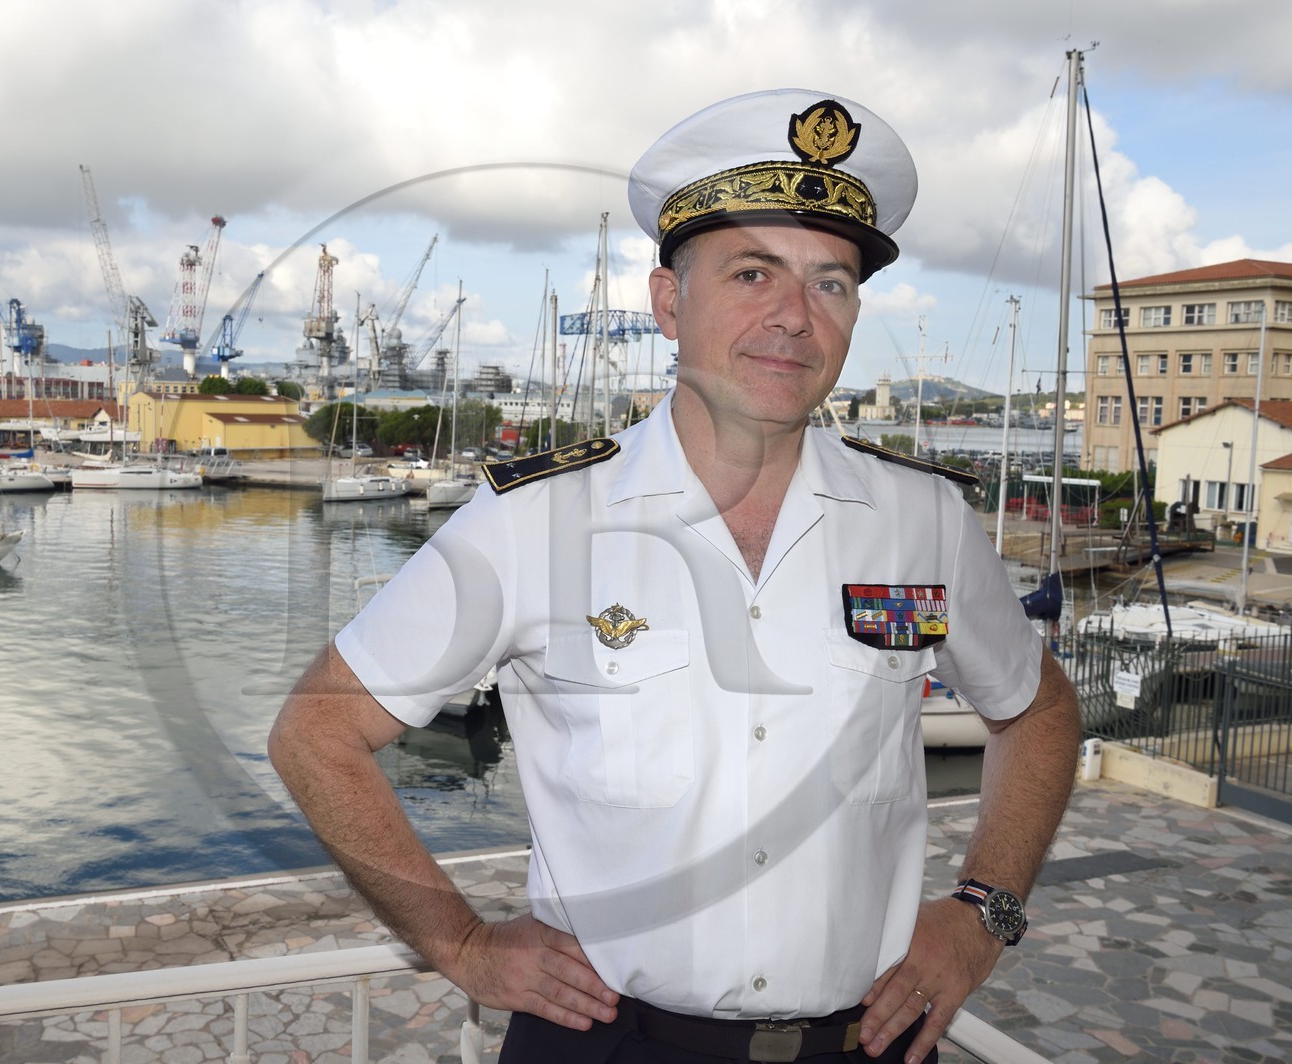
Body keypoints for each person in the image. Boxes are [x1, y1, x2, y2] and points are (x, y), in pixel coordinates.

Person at [270, 88, 1081, 1064]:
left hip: (863, 1044)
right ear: (667, 303)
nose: (793, 317)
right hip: (609, 1041)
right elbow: (317, 733)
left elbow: (1036, 710)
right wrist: (460, 942)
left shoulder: (923, 518)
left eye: (829, 283)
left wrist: (983, 911)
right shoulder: (535, 520)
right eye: (752, 273)